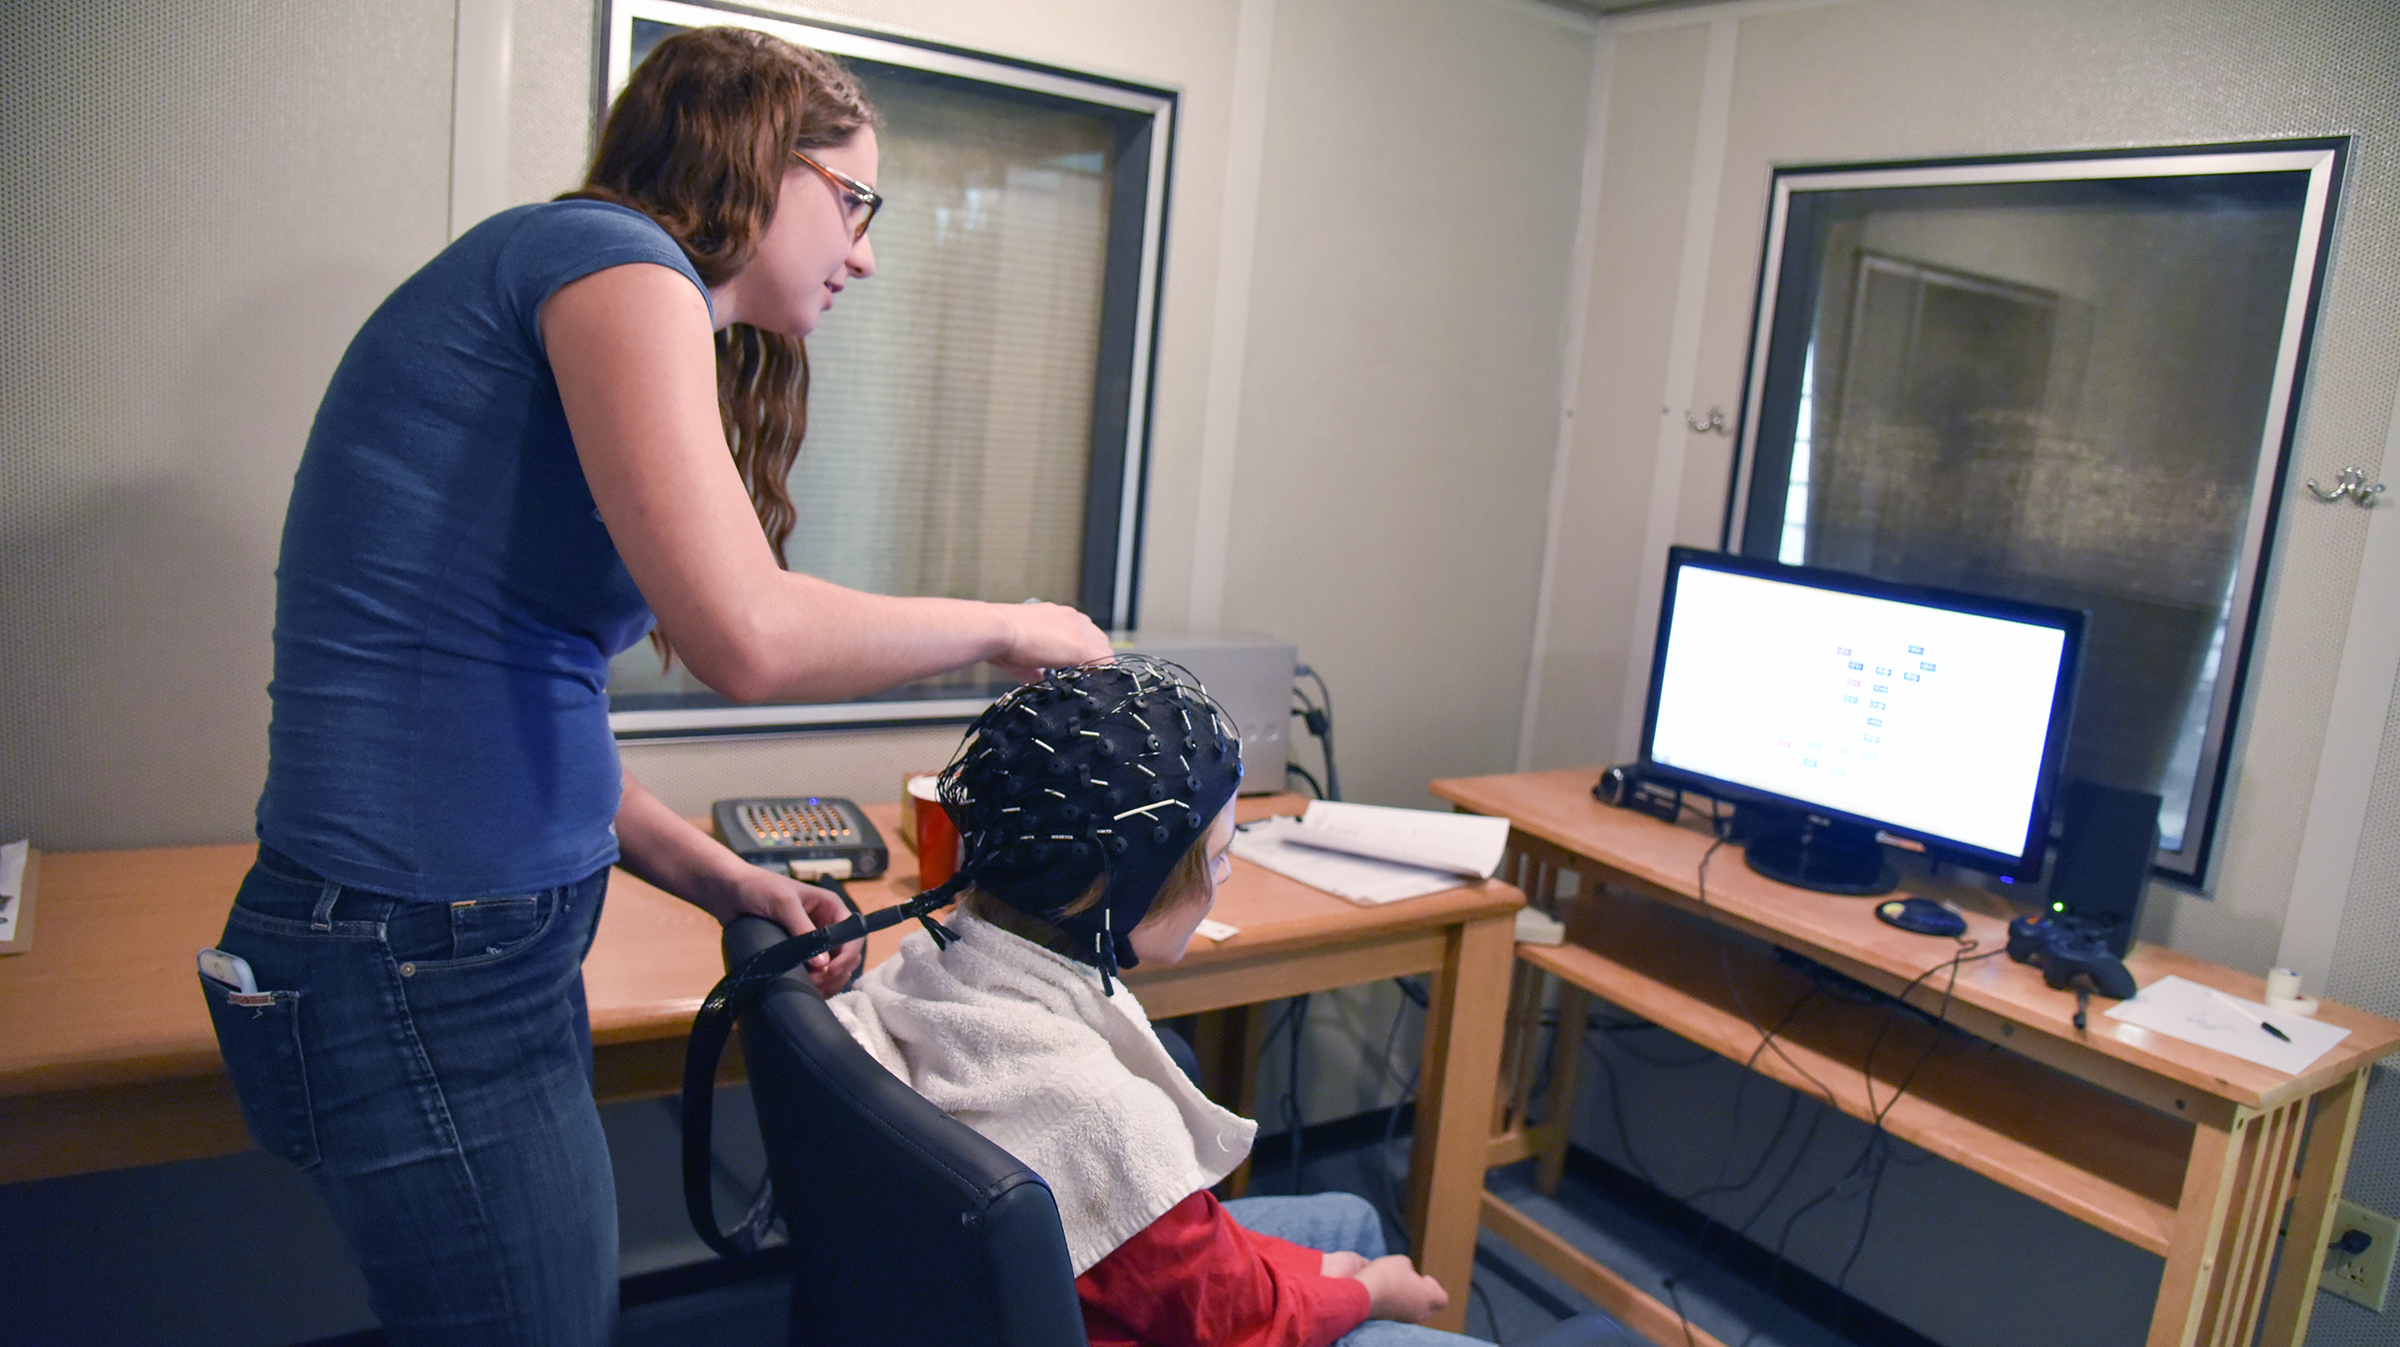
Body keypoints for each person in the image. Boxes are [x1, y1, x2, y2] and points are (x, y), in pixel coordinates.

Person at [198, 27, 1111, 1347]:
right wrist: (1013, 624)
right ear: (755, 156)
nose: (864, 252)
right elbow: (749, 635)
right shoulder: (612, 261)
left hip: (438, 941)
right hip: (418, 956)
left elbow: (521, 703)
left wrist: (724, 879)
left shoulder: (588, 277)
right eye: (852, 201)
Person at [831, 658, 1488, 1347]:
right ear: (1119, 887)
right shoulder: (1103, 1119)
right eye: (1219, 853)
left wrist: (1328, 1276)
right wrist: (1367, 1291)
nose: (1228, 872)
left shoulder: (921, 969)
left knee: (1349, 1221)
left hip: (985, 1297)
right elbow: (1246, 1322)